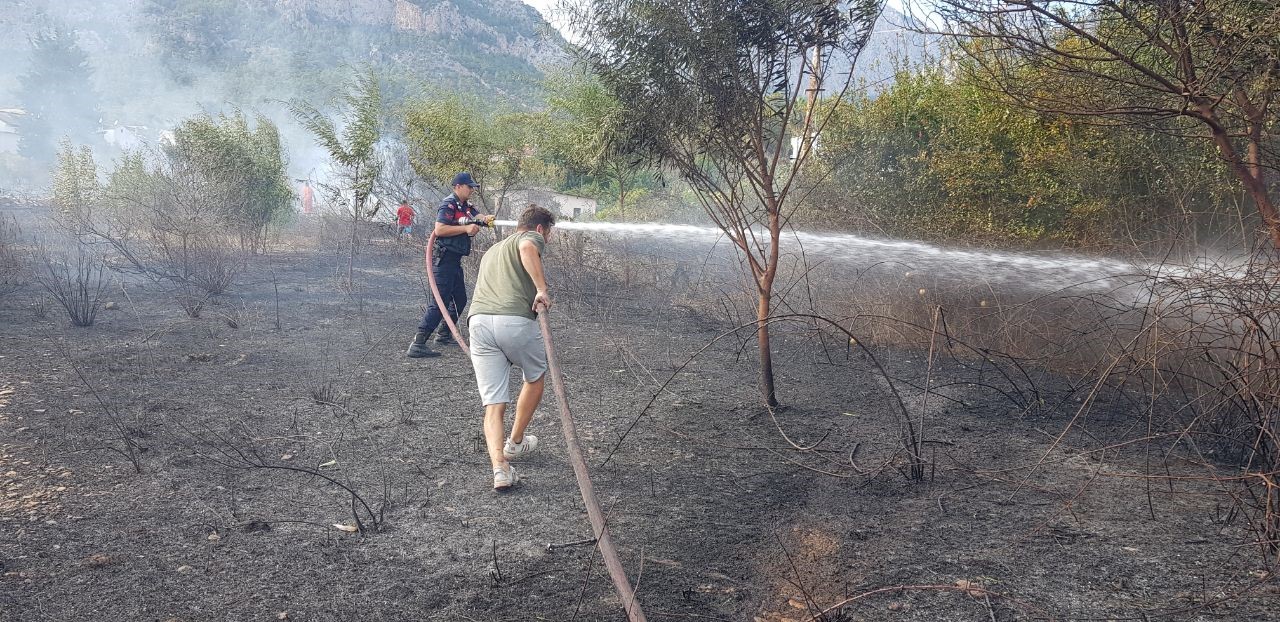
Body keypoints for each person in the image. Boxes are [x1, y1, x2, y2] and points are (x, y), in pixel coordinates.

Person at [467, 205, 555, 489]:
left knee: (493, 405)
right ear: (540, 228)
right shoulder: (530, 237)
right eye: (548, 234)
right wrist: (541, 289)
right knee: (535, 376)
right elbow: (529, 247)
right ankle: (515, 443)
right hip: (514, 321)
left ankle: (500, 469)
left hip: (478, 324)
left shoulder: (492, 250)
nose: (546, 240)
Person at [406, 172, 495, 358]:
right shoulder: (449, 204)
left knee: (460, 299)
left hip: (454, 262)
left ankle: (444, 334)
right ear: (458, 186)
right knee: (439, 303)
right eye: (469, 187)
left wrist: (485, 218)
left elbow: (475, 215)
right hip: (444, 261)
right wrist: (465, 228)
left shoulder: (465, 205)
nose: (472, 190)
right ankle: (418, 343)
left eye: (473, 187)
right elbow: (440, 229)